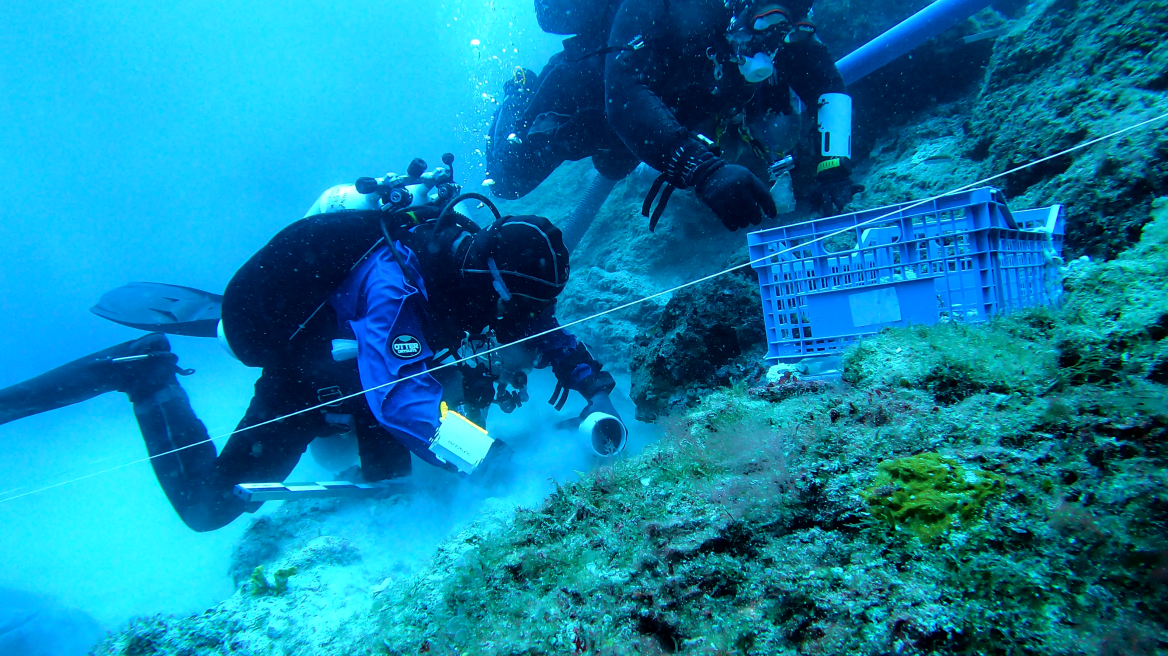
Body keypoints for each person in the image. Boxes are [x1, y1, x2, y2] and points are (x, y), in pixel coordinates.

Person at [0, 158, 622, 532]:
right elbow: (401, 403)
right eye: (520, 307)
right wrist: (490, 460)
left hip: (361, 362)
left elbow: (540, 329)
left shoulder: (479, 269)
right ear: (492, 283)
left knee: (394, 470)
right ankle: (145, 374)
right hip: (305, 371)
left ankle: (365, 445)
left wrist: (594, 388)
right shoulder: (397, 284)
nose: (527, 321)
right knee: (208, 508)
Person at [486, 0, 863, 230]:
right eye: (769, 20)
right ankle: (520, 91)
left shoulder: (780, 31)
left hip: (657, 117)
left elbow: (826, 85)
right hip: (589, 98)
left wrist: (833, 168)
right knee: (509, 180)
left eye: (791, 24)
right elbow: (624, 95)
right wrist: (705, 171)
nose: (776, 38)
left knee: (616, 163)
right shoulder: (673, 6)